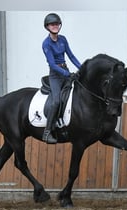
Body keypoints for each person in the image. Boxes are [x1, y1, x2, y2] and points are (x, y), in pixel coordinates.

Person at [42, 13, 81, 144]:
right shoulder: (46, 43)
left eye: (57, 24)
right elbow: (52, 64)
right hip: (55, 76)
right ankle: (47, 132)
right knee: (56, 101)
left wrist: (82, 68)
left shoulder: (63, 39)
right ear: (47, 26)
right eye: (52, 24)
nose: (55, 26)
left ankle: (67, 124)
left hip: (66, 70)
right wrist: (66, 74)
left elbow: (71, 56)